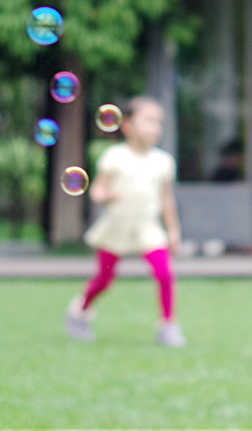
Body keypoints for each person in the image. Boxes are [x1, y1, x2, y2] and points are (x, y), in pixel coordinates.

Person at [65, 97, 185, 346]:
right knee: (104, 280)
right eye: (149, 121)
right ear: (128, 125)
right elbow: (97, 189)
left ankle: (168, 324)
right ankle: (80, 312)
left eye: (158, 122)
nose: (155, 128)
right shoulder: (114, 157)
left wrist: (173, 230)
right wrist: (105, 196)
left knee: (164, 273)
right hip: (116, 228)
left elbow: (167, 200)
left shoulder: (163, 161)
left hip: (147, 227)